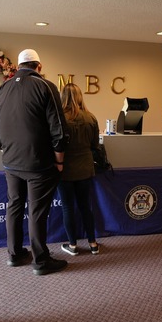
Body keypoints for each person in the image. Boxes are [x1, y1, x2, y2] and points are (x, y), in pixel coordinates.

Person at [0, 49, 69, 276]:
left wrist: (9, 149)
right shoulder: (45, 87)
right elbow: (59, 131)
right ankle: (41, 261)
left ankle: (15, 254)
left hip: (11, 163)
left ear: (17, 67)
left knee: (14, 206)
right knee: (36, 211)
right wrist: (60, 161)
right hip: (38, 164)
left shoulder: (1, 89)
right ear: (39, 67)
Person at [57, 83, 101, 256]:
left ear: (62, 98)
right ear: (80, 96)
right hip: (85, 168)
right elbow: (95, 145)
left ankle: (73, 245)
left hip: (65, 169)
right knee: (85, 207)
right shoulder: (91, 117)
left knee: (68, 208)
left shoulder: (60, 119)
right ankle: (93, 243)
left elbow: (56, 144)